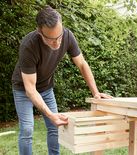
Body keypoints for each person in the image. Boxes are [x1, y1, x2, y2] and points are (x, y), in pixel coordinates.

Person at [11, 5, 112, 155]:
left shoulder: (67, 35)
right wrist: (50, 115)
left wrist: (95, 92)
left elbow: (82, 64)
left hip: (46, 88)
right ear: (40, 32)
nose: (57, 43)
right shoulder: (29, 45)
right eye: (51, 39)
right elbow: (30, 89)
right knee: (27, 129)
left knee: (54, 127)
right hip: (23, 89)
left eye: (59, 37)